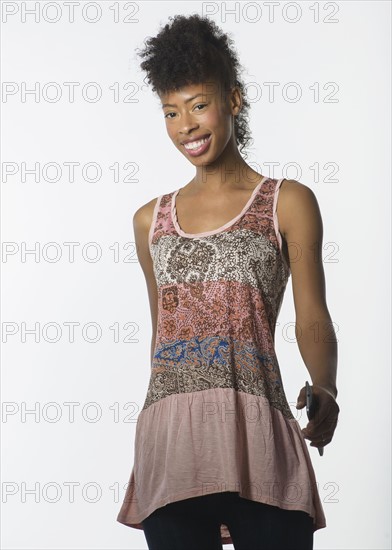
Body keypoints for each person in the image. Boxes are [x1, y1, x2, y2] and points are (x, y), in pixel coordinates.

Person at [116, 13, 340, 550]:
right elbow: (160, 335)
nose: (185, 125)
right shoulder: (151, 220)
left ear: (233, 100)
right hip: (171, 448)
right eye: (171, 112)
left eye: (198, 104)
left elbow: (312, 313)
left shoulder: (286, 202)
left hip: (257, 436)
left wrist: (326, 384)